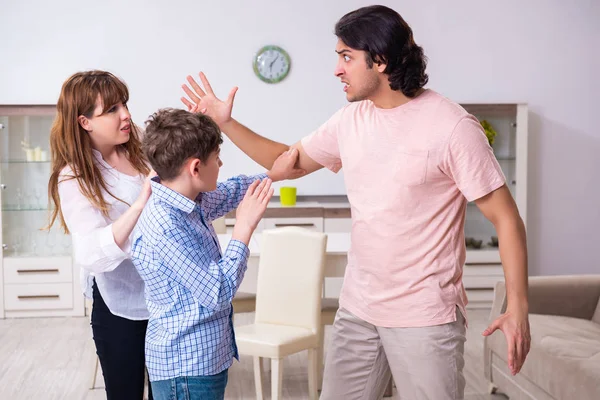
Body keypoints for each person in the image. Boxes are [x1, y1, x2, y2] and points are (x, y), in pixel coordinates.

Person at [180, 5, 531, 400]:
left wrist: (517, 307)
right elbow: (287, 164)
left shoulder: (452, 127)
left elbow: (506, 219)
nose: (337, 69)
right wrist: (225, 122)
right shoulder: (350, 121)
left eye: (346, 57)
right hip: (358, 311)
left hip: (424, 317)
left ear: (379, 60)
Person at [131, 108, 302, 400]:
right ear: (195, 168)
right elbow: (217, 291)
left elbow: (231, 192)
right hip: (186, 369)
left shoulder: (187, 199)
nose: (221, 164)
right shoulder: (165, 225)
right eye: (217, 158)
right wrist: (244, 228)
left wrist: (273, 175)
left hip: (203, 360)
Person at [47, 70, 154, 399]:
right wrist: (141, 202)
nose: (125, 115)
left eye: (124, 104)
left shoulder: (139, 148)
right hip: (118, 305)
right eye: (111, 109)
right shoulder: (74, 177)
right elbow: (92, 254)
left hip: (164, 296)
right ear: (84, 122)